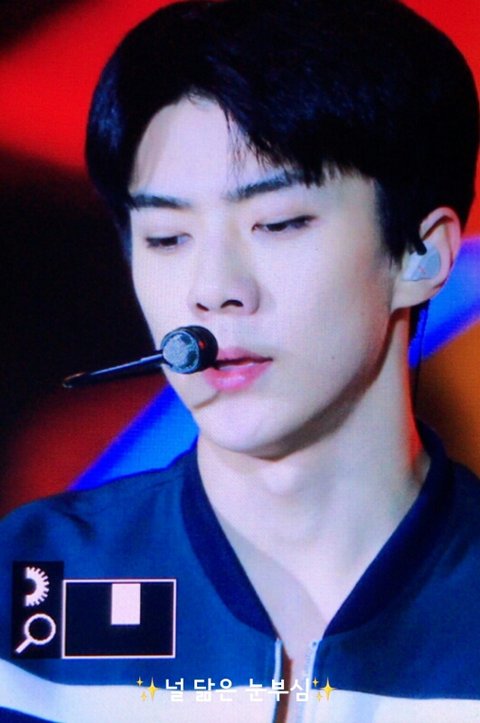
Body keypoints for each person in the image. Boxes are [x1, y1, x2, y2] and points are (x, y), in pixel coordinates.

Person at [1, 0, 479, 720]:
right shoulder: (28, 584)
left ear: (422, 255)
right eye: (166, 237)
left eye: (277, 223)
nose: (213, 289)